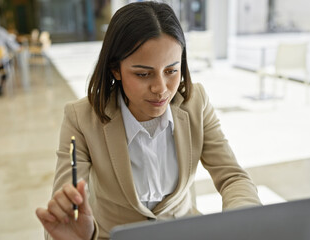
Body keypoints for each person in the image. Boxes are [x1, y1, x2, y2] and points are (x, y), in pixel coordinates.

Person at [36, 2, 261, 240]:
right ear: (115, 70)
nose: (161, 89)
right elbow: (65, 218)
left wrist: (244, 222)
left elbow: (233, 177)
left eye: (172, 71)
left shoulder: (195, 102)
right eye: (143, 74)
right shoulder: (81, 118)